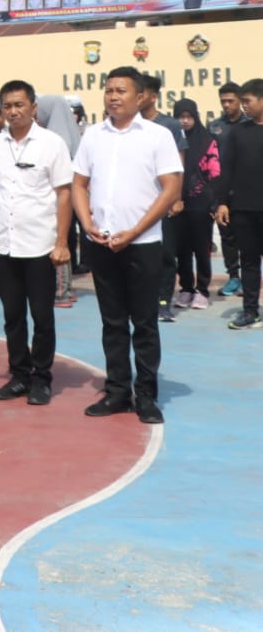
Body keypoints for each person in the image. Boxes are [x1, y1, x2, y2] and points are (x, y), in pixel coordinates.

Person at [73, 66, 181, 423]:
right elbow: (78, 183)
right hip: (102, 243)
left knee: (145, 322)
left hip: (143, 244)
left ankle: (146, 395)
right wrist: (87, 224)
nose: (113, 96)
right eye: (109, 90)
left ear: (140, 96)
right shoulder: (93, 135)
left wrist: (134, 232)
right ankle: (117, 391)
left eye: (121, 91)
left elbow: (171, 188)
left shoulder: (157, 136)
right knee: (113, 321)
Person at [0, 83, 75, 408]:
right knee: (12, 316)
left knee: (42, 316)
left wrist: (62, 242)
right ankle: (19, 375)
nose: (13, 111)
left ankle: (42, 378)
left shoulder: (52, 144)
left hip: (39, 245)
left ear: (33, 108)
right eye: (7, 106)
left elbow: (64, 194)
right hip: (4, 245)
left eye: (19, 105)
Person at [215, 78, 263, 330]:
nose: (244, 106)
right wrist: (222, 203)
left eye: (248, 101)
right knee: (249, 262)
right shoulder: (238, 132)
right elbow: (227, 169)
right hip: (243, 208)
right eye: (242, 101)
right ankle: (250, 311)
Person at [140, 75, 187, 322]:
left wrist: (176, 197)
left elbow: (179, 163)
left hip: (163, 200)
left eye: (142, 92)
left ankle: (163, 302)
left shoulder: (169, 125)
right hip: (138, 202)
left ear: (153, 96)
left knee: (166, 254)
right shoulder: (126, 125)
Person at [35, 96, 84, 306]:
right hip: (63, 199)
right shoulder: (69, 134)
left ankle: (62, 291)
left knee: (58, 245)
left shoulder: (56, 138)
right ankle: (64, 289)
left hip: (57, 200)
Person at [172, 98, 220, 310]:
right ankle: (186, 289)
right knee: (181, 249)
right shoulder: (171, 141)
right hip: (177, 202)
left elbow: (215, 173)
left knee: (202, 248)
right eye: (180, 117)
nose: (184, 121)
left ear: (196, 117)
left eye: (188, 117)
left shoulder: (207, 140)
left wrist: (215, 202)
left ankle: (202, 290)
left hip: (201, 203)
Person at [209, 81, 245, 296]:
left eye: (231, 101)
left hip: (246, 189)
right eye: (223, 101)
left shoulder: (251, 124)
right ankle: (233, 277)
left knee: (249, 237)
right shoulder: (215, 127)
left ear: (240, 100)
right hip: (222, 191)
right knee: (227, 236)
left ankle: (250, 277)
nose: (226, 105)